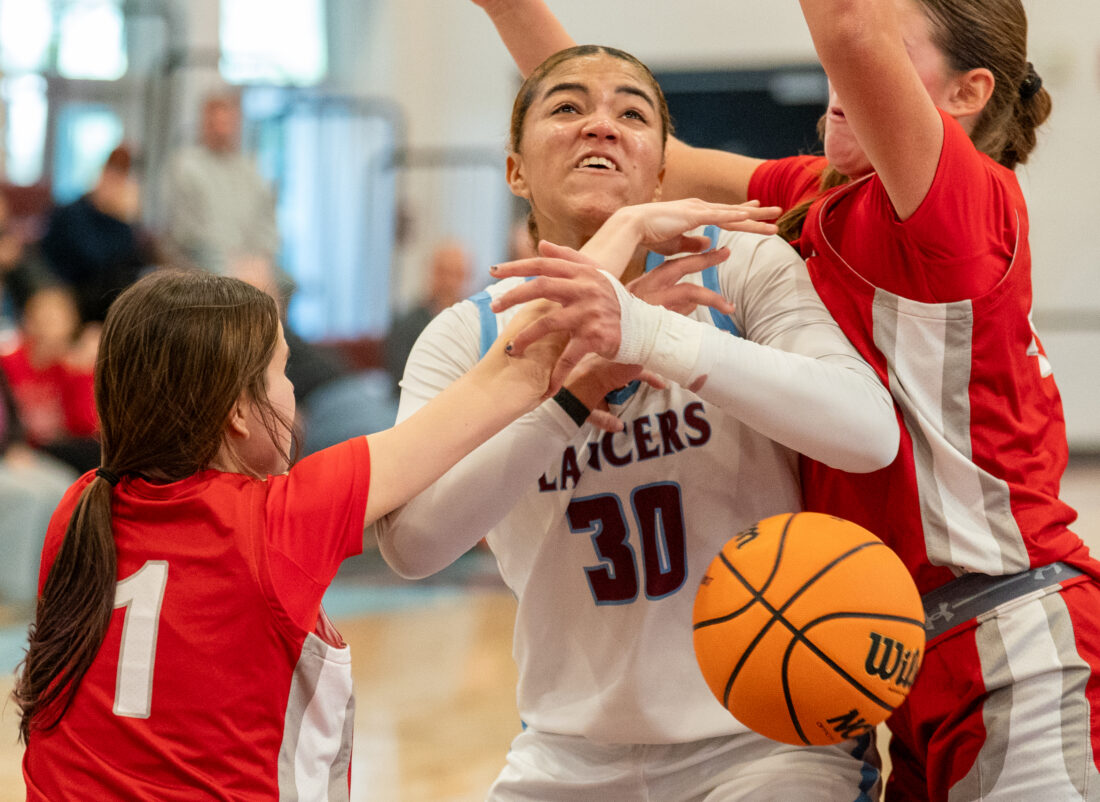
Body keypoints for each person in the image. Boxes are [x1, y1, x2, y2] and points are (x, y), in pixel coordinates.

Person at [471, 1, 1099, 799]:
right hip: (895, 653)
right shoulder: (822, 191)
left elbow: (848, 25)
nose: (842, 77)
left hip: (1011, 636)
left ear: (967, 94)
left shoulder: (959, 200)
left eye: (887, 53)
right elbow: (653, 153)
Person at [376, 45, 899, 800]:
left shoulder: (742, 268)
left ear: (659, 174)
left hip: (767, 739)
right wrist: (572, 397)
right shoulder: (466, 337)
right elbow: (414, 547)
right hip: (567, 752)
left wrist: (651, 335)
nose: (601, 126)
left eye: (631, 112)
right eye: (567, 107)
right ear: (516, 170)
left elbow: (868, 431)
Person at [12, 267, 589, 799]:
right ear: (239, 413)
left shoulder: (79, 505)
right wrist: (626, 234)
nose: (293, 390)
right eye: (282, 371)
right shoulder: (274, 520)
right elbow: (515, 373)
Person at [162, 90, 281, 283]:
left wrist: (260, 257)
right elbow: (187, 231)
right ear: (204, 124)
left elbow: (265, 221)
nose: (221, 130)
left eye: (226, 122)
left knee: (284, 283)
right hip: (204, 261)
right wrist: (231, 264)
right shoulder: (185, 166)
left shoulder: (249, 170)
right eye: (214, 123)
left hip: (249, 260)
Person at [39, 144, 160, 324]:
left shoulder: (122, 223)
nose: (115, 186)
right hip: (71, 296)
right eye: (112, 176)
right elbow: (95, 258)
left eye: (123, 180)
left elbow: (133, 264)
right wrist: (123, 220)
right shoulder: (72, 213)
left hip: (107, 300)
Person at [0, 283, 100, 473]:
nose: (51, 329)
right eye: (44, 320)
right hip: (20, 448)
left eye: (58, 321)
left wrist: (83, 373)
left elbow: (86, 426)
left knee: (95, 452)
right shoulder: (8, 363)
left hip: (59, 448)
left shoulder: (70, 367)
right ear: (28, 322)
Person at [384, 238, 473, 394]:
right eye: (443, 272)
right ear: (430, 272)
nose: (450, 282)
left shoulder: (474, 325)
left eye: (458, 274)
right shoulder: (405, 325)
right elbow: (401, 380)